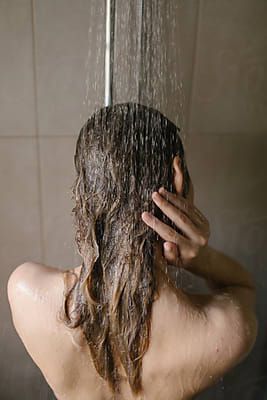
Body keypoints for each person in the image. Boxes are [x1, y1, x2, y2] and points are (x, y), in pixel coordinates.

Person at [7, 103, 258, 400]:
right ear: (179, 185)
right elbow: (241, 287)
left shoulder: (26, 293)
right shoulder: (226, 331)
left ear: (83, 192)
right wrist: (202, 259)